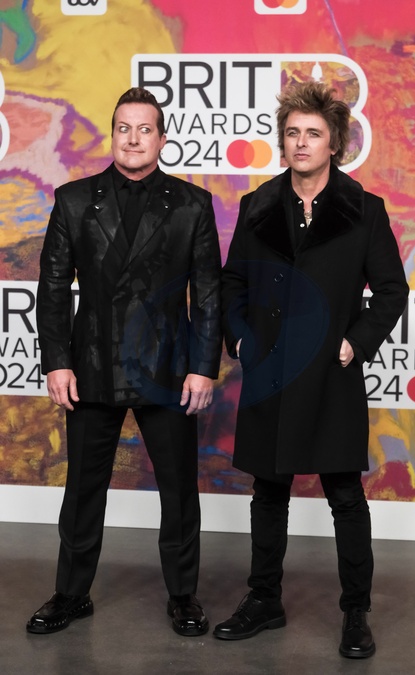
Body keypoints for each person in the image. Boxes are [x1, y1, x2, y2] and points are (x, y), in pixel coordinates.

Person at [214, 81, 409, 658]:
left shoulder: (364, 209)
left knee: (345, 495)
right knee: (268, 492)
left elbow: (392, 290)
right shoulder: (257, 205)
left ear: (334, 144)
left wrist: (355, 343)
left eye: (313, 134)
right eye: (293, 132)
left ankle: (356, 613)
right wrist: (241, 338)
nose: (301, 142)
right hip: (271, 372)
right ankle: (264, 600)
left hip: (330, 373)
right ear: (284, 141)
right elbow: (232, 281)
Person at [27, 87, 222, 637]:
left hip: (169, 370)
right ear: (113, 135)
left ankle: (183, 595)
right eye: (123, 128)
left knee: (178, 490)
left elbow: (209, 293)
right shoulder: (72, 200)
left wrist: (203, 366)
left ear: (162, 139)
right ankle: (71, 594)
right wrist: (57, 361)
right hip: (91, 365)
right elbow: (53, 287)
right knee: (82, 489)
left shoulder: (193, 204)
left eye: (144, 129)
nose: (133, 138)